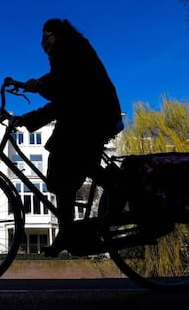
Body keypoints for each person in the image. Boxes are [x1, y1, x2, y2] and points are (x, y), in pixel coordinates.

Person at [14, 18, 123, 257]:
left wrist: (30, 117)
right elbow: (61, 86)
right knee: (69, 163)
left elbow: (65, 94)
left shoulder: (68, 49)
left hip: (93, 114)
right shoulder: (71, 51)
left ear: (57, 34)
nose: (43, 44)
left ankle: (118, 188)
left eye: (46, 37)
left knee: (67, 158)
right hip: (89, 113)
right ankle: (69, 229)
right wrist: (34, 85)